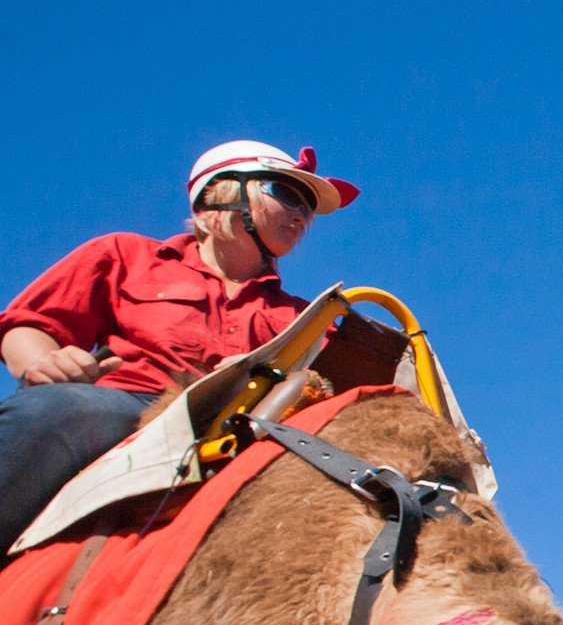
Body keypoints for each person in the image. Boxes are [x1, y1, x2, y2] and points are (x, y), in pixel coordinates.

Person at [0, 140, 357, 552]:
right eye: (287, 193)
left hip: (252, 429)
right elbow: (28, 326)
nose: (301, 214)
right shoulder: (125, 255)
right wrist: (44, 362)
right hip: (132, 409)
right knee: (63, 410)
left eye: (308, 208)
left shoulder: (307, 316)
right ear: (218, 196)